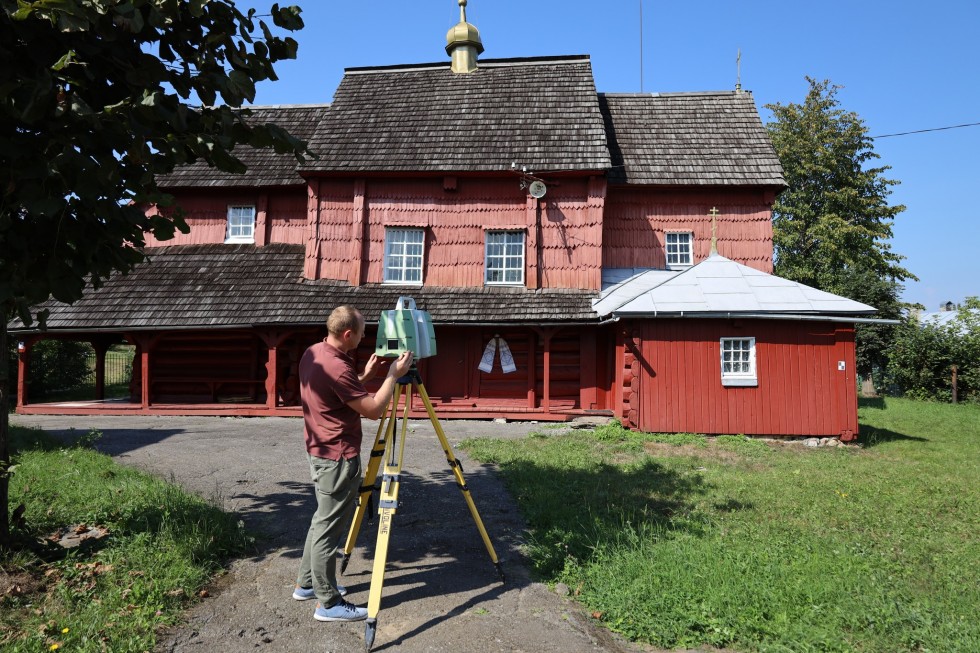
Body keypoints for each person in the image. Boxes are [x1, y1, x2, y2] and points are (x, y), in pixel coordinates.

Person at [292, 305, 413, 622]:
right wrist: (391, 376)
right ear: (348, 334)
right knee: (328, 531)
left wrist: (365, 377)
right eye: (361, 332)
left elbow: (336, 392)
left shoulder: (315, 352)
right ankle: (328, 603)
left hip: (320, 449)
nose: (364, 337)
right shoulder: (337, 368)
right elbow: (372, 409)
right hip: (337, 457)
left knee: (322, 521)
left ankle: (307, 584)